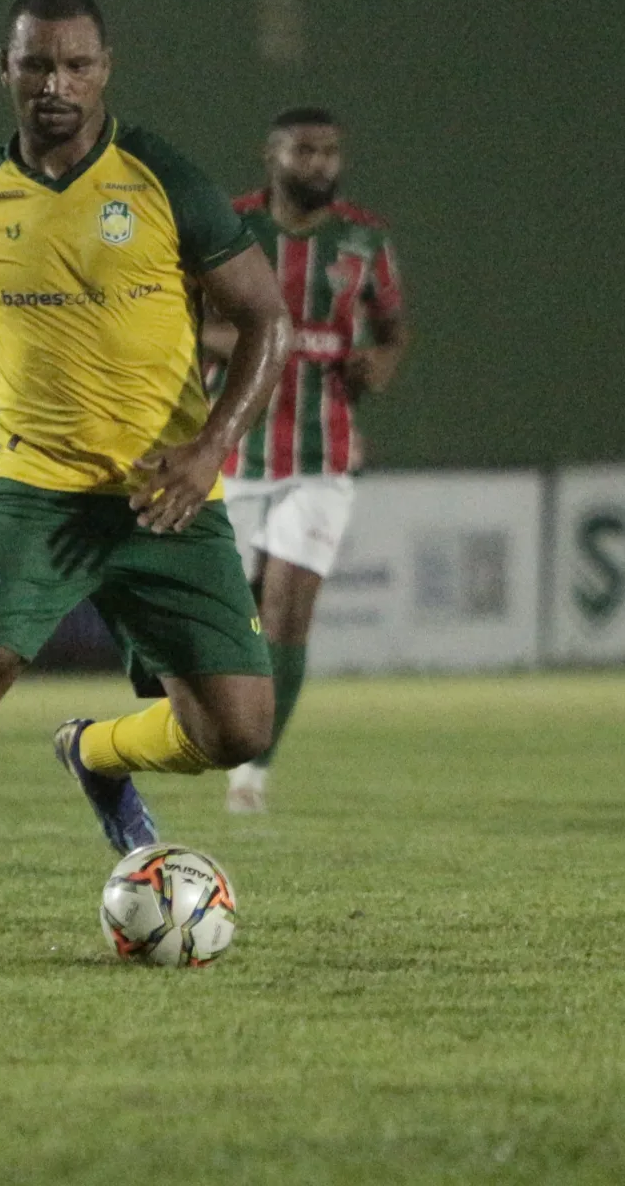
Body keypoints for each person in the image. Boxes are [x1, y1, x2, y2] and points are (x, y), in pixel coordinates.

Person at [0, 0, 295, 935]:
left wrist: (210, 451)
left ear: (104, 71)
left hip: (164, 493)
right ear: (3, 70)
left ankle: (95, 751)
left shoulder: (163, 181)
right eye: (36, 63)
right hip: (35, 490)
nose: (57, 83)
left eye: (76, 64)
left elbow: (265, 319)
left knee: (239, 730)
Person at [203, 106, 409, 814]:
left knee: (288, 610)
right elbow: (183, 316)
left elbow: (391, 328)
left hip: (324, 455)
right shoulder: (229, 227)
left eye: (329, 152)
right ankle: (207, 729)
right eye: (304, 150)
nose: (319, 163)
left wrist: (379, 363)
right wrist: (242, 344)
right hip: (232, 448)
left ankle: (253, 773)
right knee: (227, 614)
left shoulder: (364, 237)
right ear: (272, 153)